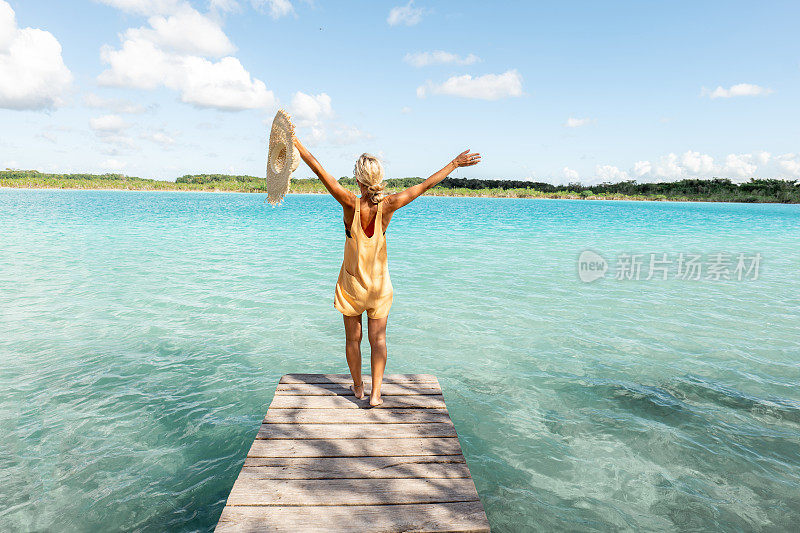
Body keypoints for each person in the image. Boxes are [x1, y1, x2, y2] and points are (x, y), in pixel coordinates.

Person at [293, 137, 481, 406]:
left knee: (353, 340)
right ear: (379, 177)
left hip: (352, 286)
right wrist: (454, 164)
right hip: (380, 288)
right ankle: (376, 394)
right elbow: (424, 186)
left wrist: (295, 140)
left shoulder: (349, 203)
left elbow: (318, 168)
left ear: (358, 179)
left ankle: (358, 387)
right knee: (378, 340)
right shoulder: (389, 205)